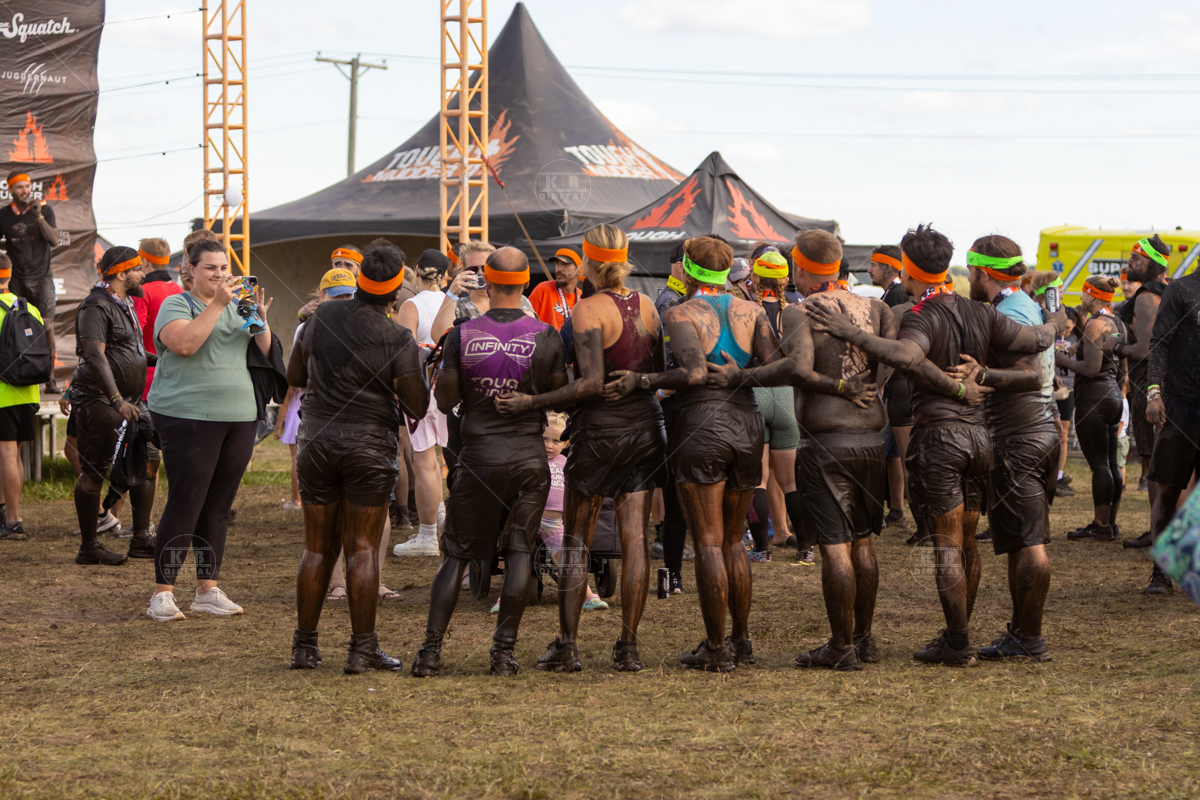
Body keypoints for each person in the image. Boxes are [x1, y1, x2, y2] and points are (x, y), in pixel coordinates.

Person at [807, 224, 1064, 667]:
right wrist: (1061, 318)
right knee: (967, 542)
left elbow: (907, 357)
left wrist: (850, 334)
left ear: (907, 269)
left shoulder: (921, 314)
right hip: (980, 439)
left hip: (940, 438)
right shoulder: (981, 312)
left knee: (946, 545)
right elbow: (1037, 342)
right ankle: (957, 633)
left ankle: (959, 642)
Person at [495, 224, 666, 673]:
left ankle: (567, 645)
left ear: (588, 263)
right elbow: (658, 370)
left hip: (600, 433)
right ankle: (627, 647)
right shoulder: (648, 304)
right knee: (634, 540)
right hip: (646, 427)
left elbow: (589, 383)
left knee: (576, 540)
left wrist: (532, 402)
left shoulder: (588, 310)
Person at [718, 230, 890, 671]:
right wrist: (870, 392)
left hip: (827, 438)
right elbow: (892, 361)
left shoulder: (801, 311)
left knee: (835, 546)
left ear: (802, 268)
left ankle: (841, 646)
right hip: (872, 436)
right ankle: (865, 639)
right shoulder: (877, 308)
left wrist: (741, 376)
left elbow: (797, 369)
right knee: (863, 543)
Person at [612, 235, 777, 672]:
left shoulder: (680, 312)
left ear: (686, 268)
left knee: (707, 541)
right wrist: (742, 374)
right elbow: (777, 365)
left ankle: (716, 648)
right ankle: (742, 643)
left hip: (700, 425)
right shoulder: (753, 310)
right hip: (746, 425)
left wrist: (642, 381)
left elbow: (693, 372)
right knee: (732, 542)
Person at [411, 247, 567, 678]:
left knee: (456, 555)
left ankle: (429, 653)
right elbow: (563, 396)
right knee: (519, 552)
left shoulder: (462, 334)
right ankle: (503, 655)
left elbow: (444, 401)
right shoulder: (546, 335)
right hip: (526, 459)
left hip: (478, 456)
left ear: (488, 282)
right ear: (525, 285)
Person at [288, 245, 428, 673]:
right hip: (368, 446)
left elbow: (294, 378)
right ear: (396, 289)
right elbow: (417, 408)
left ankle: (304, 647)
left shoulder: (320, 318)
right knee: (362, 548)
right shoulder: (398, 337)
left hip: (316, 441)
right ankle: (361, 648)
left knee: (317, 547)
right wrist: (419, 364)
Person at [144, 239, 274, 622]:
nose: (219, 275)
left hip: (239, 415)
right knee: (186, 500)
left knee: (218, 506)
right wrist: (217, 303)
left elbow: (267, 353)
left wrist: (260, 320)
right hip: (188, 415)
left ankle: (207, 588)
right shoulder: (177, 304)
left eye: (223, 268)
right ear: (190, 268)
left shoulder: (237, 305)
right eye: (210, 268)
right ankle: (162, 593)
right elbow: (185, 344)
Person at [949, 237, 1058, 661]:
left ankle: (1030, 639)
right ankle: (1020, 633)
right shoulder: (1021, 303)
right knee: (1020, 539)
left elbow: (1029, 373)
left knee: (1029, 541)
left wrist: (984, 373)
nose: (969, 278)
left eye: (971, 271)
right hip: (1035, 430)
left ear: (983, 273)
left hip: (1019, 434)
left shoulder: (1009, 311)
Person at [70, 245, 157, 565]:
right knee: (95, 470)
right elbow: (94, 355)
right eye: (138, 269)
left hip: (130, 401)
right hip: (100, 400)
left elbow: (129, 351)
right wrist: (116, 399)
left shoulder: (124, 303)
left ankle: (141, 539)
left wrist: (161, 359)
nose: (143, 274)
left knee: (147, 464)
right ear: (122, 274)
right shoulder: (95, 306)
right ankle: (89, 548)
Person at [276, 268, 357, 511]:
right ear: (321, 295)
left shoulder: (363, 324)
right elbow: (295, 376)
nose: (343, 302)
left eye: (348, 296)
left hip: (353, 411)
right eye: (337, 296)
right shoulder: (306, 328)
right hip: (319, 410)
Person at [744, 250, 806, 562]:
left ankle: (761, 550)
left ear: (753, 276)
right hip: (784, 395)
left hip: (754, 392)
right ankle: (806, 550)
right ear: (785, 278)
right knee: (791, 481)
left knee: (758, 480)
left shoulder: (745, 310)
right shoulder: (795, 310)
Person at [1142, 258, 1200, 594]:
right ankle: (1161, 573)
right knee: (1168, 489)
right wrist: (1154, 394)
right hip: (1181, 406)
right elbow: (1160, 344)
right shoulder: (1182, 289)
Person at [1057, 275, 1127, 541]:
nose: (1081, 299)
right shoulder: (1117, 321)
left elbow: (1091, 368)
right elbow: (1122, 365)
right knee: (1110, 462)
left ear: (1093, 296)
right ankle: (1111, 523)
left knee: (1100, 465)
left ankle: (1100, 526)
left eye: (1084, 294)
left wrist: (1063, 359)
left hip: (1093, 399)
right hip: (1112, 398)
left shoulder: (1095, 324)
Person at [393, 249, 451, 558]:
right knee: (447, 459)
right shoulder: (454, 302)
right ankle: (440, 516)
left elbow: (405, 353)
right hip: (453, 391)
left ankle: (428, 534)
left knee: (425, 461)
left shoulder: (410, 305)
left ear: (415, 271)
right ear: (447, 275)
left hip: (423, 389)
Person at [1116, 236, 1172, 544]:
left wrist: (1118, 346)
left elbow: (1149, 348)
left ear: (1153, 263)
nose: (1129, 265)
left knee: (1154, 462)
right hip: (1163, 386)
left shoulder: (1147, 295)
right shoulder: (1168, 290)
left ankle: (1157, 533)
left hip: (1152, 387)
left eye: (1135, 260)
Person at [650, 241, 689, 593]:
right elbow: (667, 362)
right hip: (679, 408)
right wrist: (662, 394)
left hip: (692, 408)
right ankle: (673, 573)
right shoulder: (669, 301)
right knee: (676, 494)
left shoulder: (691, 301)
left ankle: (676, 573)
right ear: (677, 266)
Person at [0, 171, 60, 392]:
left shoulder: (44, 210)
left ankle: (50, 380)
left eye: (27, 186)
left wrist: (39, 217)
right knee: (12, 325)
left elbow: (54, 240)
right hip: (16, 280)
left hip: (42, 278)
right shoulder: (4, 215)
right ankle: (15, 372)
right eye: (19, 187)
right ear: (10, 190)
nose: (25, 191)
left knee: (47, 327)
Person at [0, 253, 41, 539]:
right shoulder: (30, 308)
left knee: (5, 453)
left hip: (2, 393)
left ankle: (12, 521)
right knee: (14, 455)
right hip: (27, 390)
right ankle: (10, 511)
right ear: (9, 273)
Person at [528, 247, 582, 329]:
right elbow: (525, 324)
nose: (559, 268)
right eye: (557, 263)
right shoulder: (543, 289)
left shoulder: (583, 298)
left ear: (579, 269)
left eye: (565, 264)